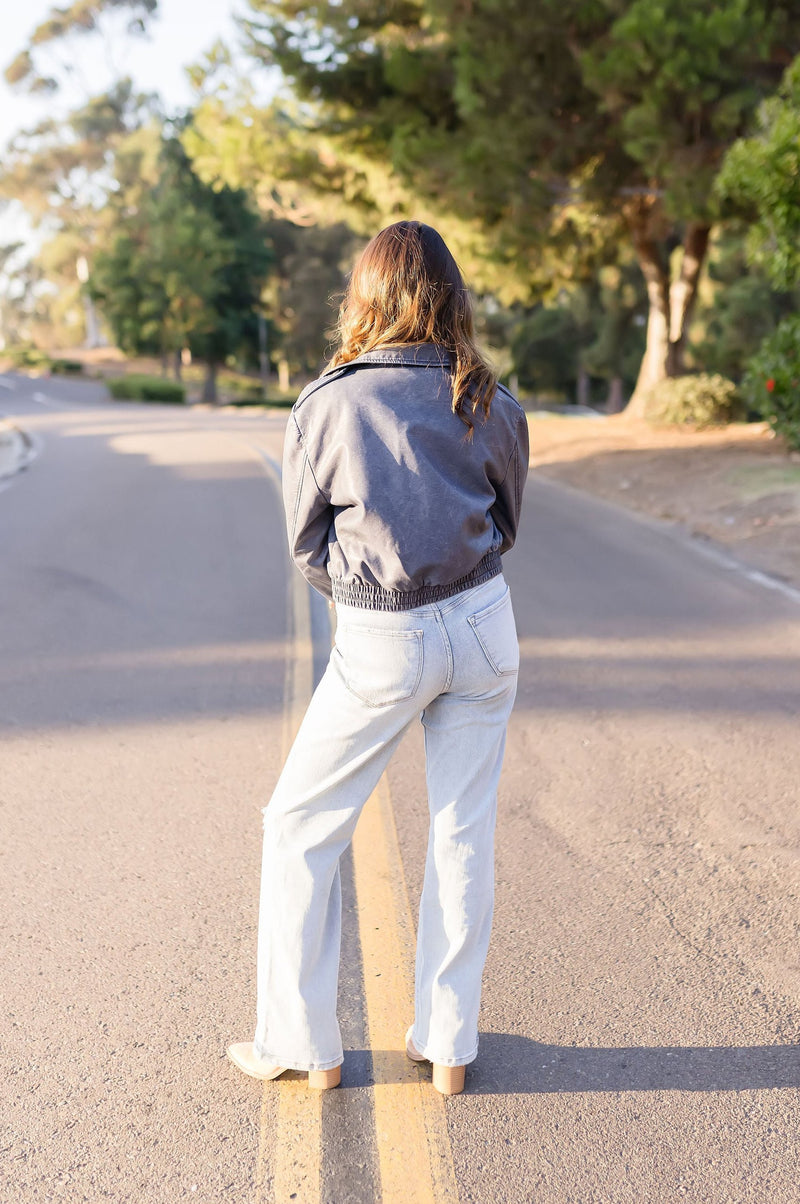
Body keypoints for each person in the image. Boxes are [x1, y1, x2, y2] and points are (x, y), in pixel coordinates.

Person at [227, 220, 529, 1095]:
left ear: (363, 296)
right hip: (483, 622)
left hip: (380, 636)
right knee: (462, 828)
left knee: (300, 827)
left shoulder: (328, 403)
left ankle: (303, 1045)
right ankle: (448, 1046)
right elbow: (507, 522)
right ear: (451, 297)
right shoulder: (492, 399)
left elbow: (306, 547)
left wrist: (373, 602)